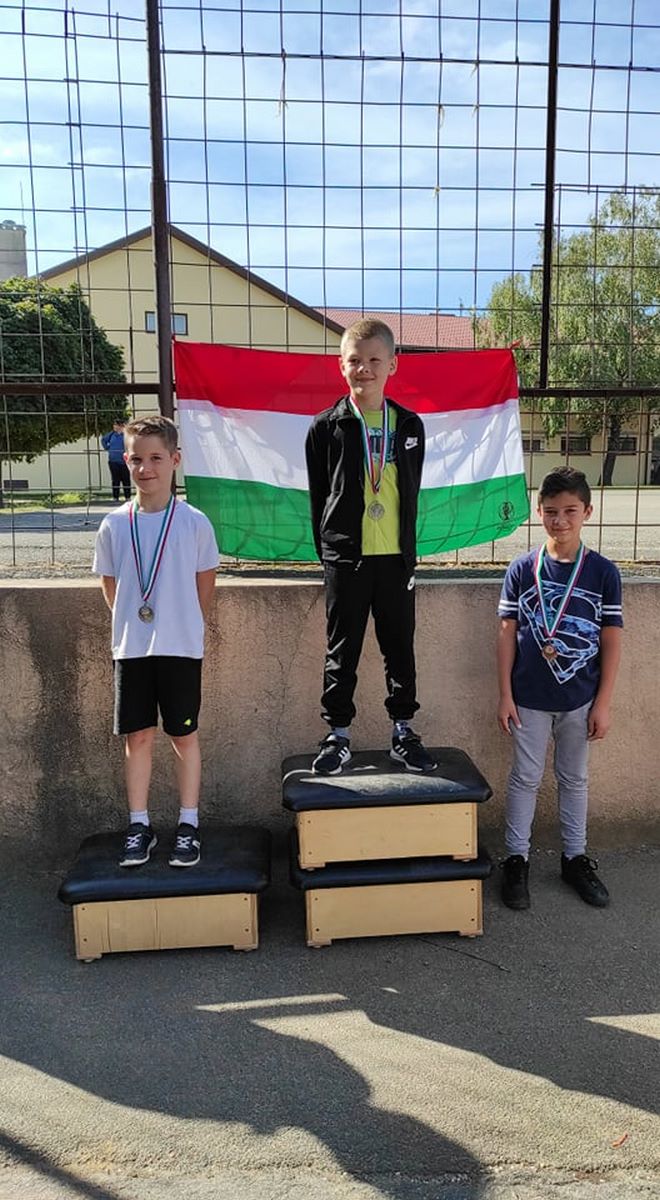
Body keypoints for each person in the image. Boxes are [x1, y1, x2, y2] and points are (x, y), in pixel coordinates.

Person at [305, 317, 436, 775]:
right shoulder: (326, 427)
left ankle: (403, 731)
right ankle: (337, 735)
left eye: (375, 360)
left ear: (392, 365)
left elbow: (410, 490)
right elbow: (320, 497)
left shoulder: (410, 425)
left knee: (399, 648)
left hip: (396, 561)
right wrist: (332, 551)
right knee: (342, 651)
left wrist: (407, 550)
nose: (365, 369)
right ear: (341, 366)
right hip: (347, 560)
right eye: (355, 361)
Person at [92, 414, 219, 868]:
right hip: (132, 649)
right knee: (138, 736)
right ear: (125, 461)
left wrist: (180, 624)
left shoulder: (194, 522)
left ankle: (188, 823)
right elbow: (111, 587)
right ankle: (139, 824)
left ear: (175, 460)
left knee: (183, 735)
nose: (146, 468)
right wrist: (136, 621)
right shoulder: (113, 524)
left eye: (156, 458)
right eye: (136, 459)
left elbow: (204, 585)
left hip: (180, 648)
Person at [496, 465, 623, 909]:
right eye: (551, 511)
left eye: (570, 510)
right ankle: (516, 860)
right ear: (539, 512)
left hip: (580, 698)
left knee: (574, 778)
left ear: (588, 511)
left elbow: (611, 638)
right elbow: (506, 632)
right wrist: (505, 694)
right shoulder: (522, 568)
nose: (560, 520)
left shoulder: (603, 572)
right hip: (528, 698)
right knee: (525, 778)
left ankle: (575, 858)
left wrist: (603, 702)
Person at [101, 418, 131, 502]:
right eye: (114, 425)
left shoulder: (126, 435)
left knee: (126, 479)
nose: (115, 427)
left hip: (124, 461)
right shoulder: (111, 435)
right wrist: (107, 448)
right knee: (115, 480)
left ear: (121, 426)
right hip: (113, 461)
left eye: (117, 425)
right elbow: (103, 440)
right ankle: (115, 497)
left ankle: (127, 497)